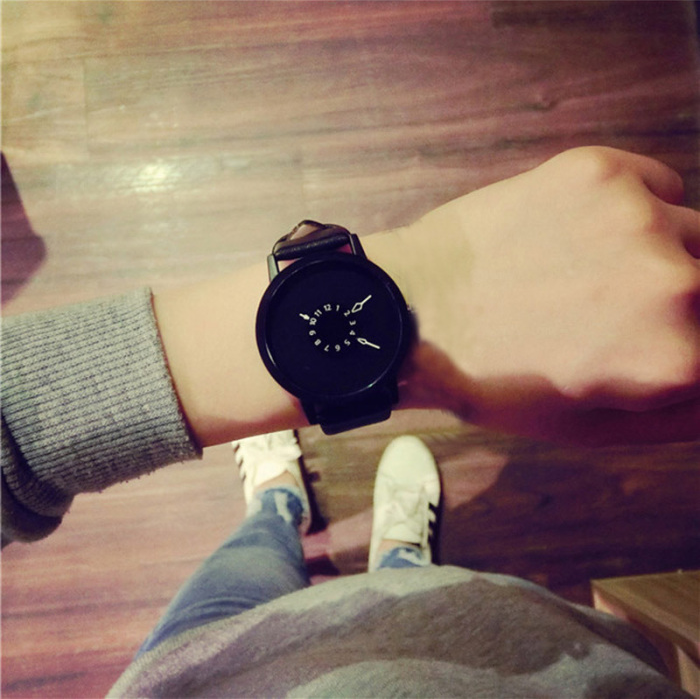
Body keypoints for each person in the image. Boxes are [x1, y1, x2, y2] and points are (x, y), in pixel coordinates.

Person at [3, 146, 698, 696]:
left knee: (248, 562)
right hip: (515, 656)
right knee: (429, 604)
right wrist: (438, 286)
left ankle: (278, 508)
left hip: (196, 672)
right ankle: (404, 568)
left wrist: (435, 279)